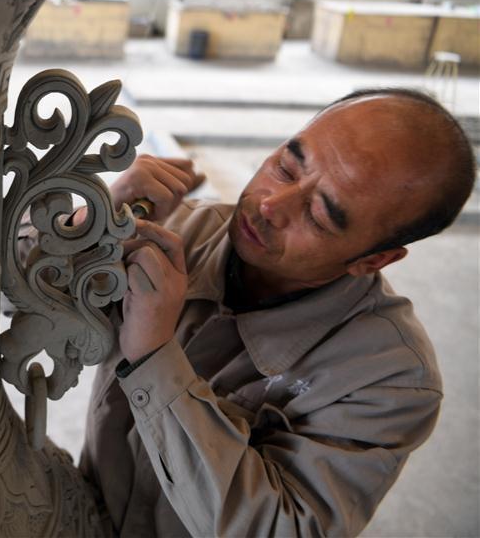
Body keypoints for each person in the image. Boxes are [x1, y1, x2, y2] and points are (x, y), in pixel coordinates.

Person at [77, 88, 476, 537]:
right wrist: (88, 227)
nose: (271, 204)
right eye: (286, 167)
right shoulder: (181, 229)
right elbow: (6, 309)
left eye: (320, 215)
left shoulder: (389, 380)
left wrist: (153, 358)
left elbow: (279, 529)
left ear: (372, 261)